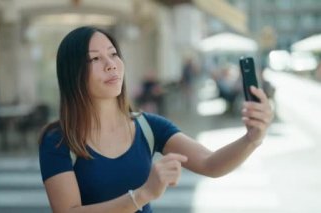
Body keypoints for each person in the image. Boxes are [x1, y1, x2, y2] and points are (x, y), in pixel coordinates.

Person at [38, 26, 273, 213]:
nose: (111, 65)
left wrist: (252, 139)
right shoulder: (57, 140)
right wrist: (142, 195)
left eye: (113, 54)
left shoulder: (149, 127)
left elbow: (210, 163)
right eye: (95, 59)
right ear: (73, 73)